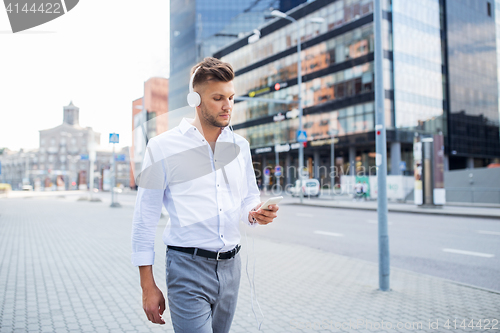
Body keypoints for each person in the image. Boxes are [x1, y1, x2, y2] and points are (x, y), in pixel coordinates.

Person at [131, 57, 279, 333]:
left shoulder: (240, 146)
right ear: (194, 99)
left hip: (231, 268)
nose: (228, 106)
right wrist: (147, 286)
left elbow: (248, 199)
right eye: (218, 98)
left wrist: (256, 213)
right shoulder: (162, 147)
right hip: (187, 268)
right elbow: (144, 219)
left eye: (232, 97)